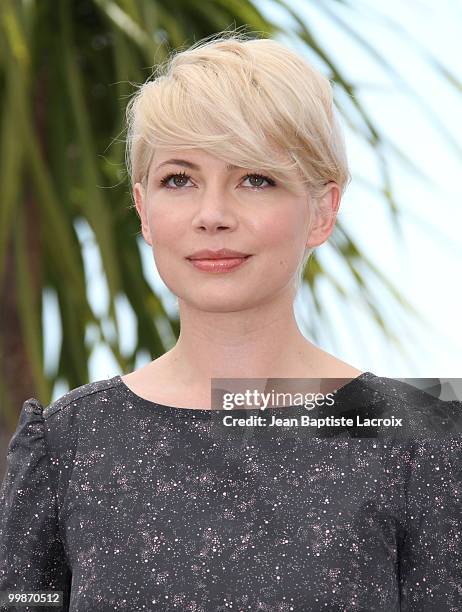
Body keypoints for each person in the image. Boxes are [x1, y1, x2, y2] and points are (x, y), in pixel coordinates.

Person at [1, 30, 461, 612]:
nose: (212, 215)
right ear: (143, 209)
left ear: (323, 210)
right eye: (179, 180)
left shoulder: (423, 437)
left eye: (255, 179)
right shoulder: (66, 443)